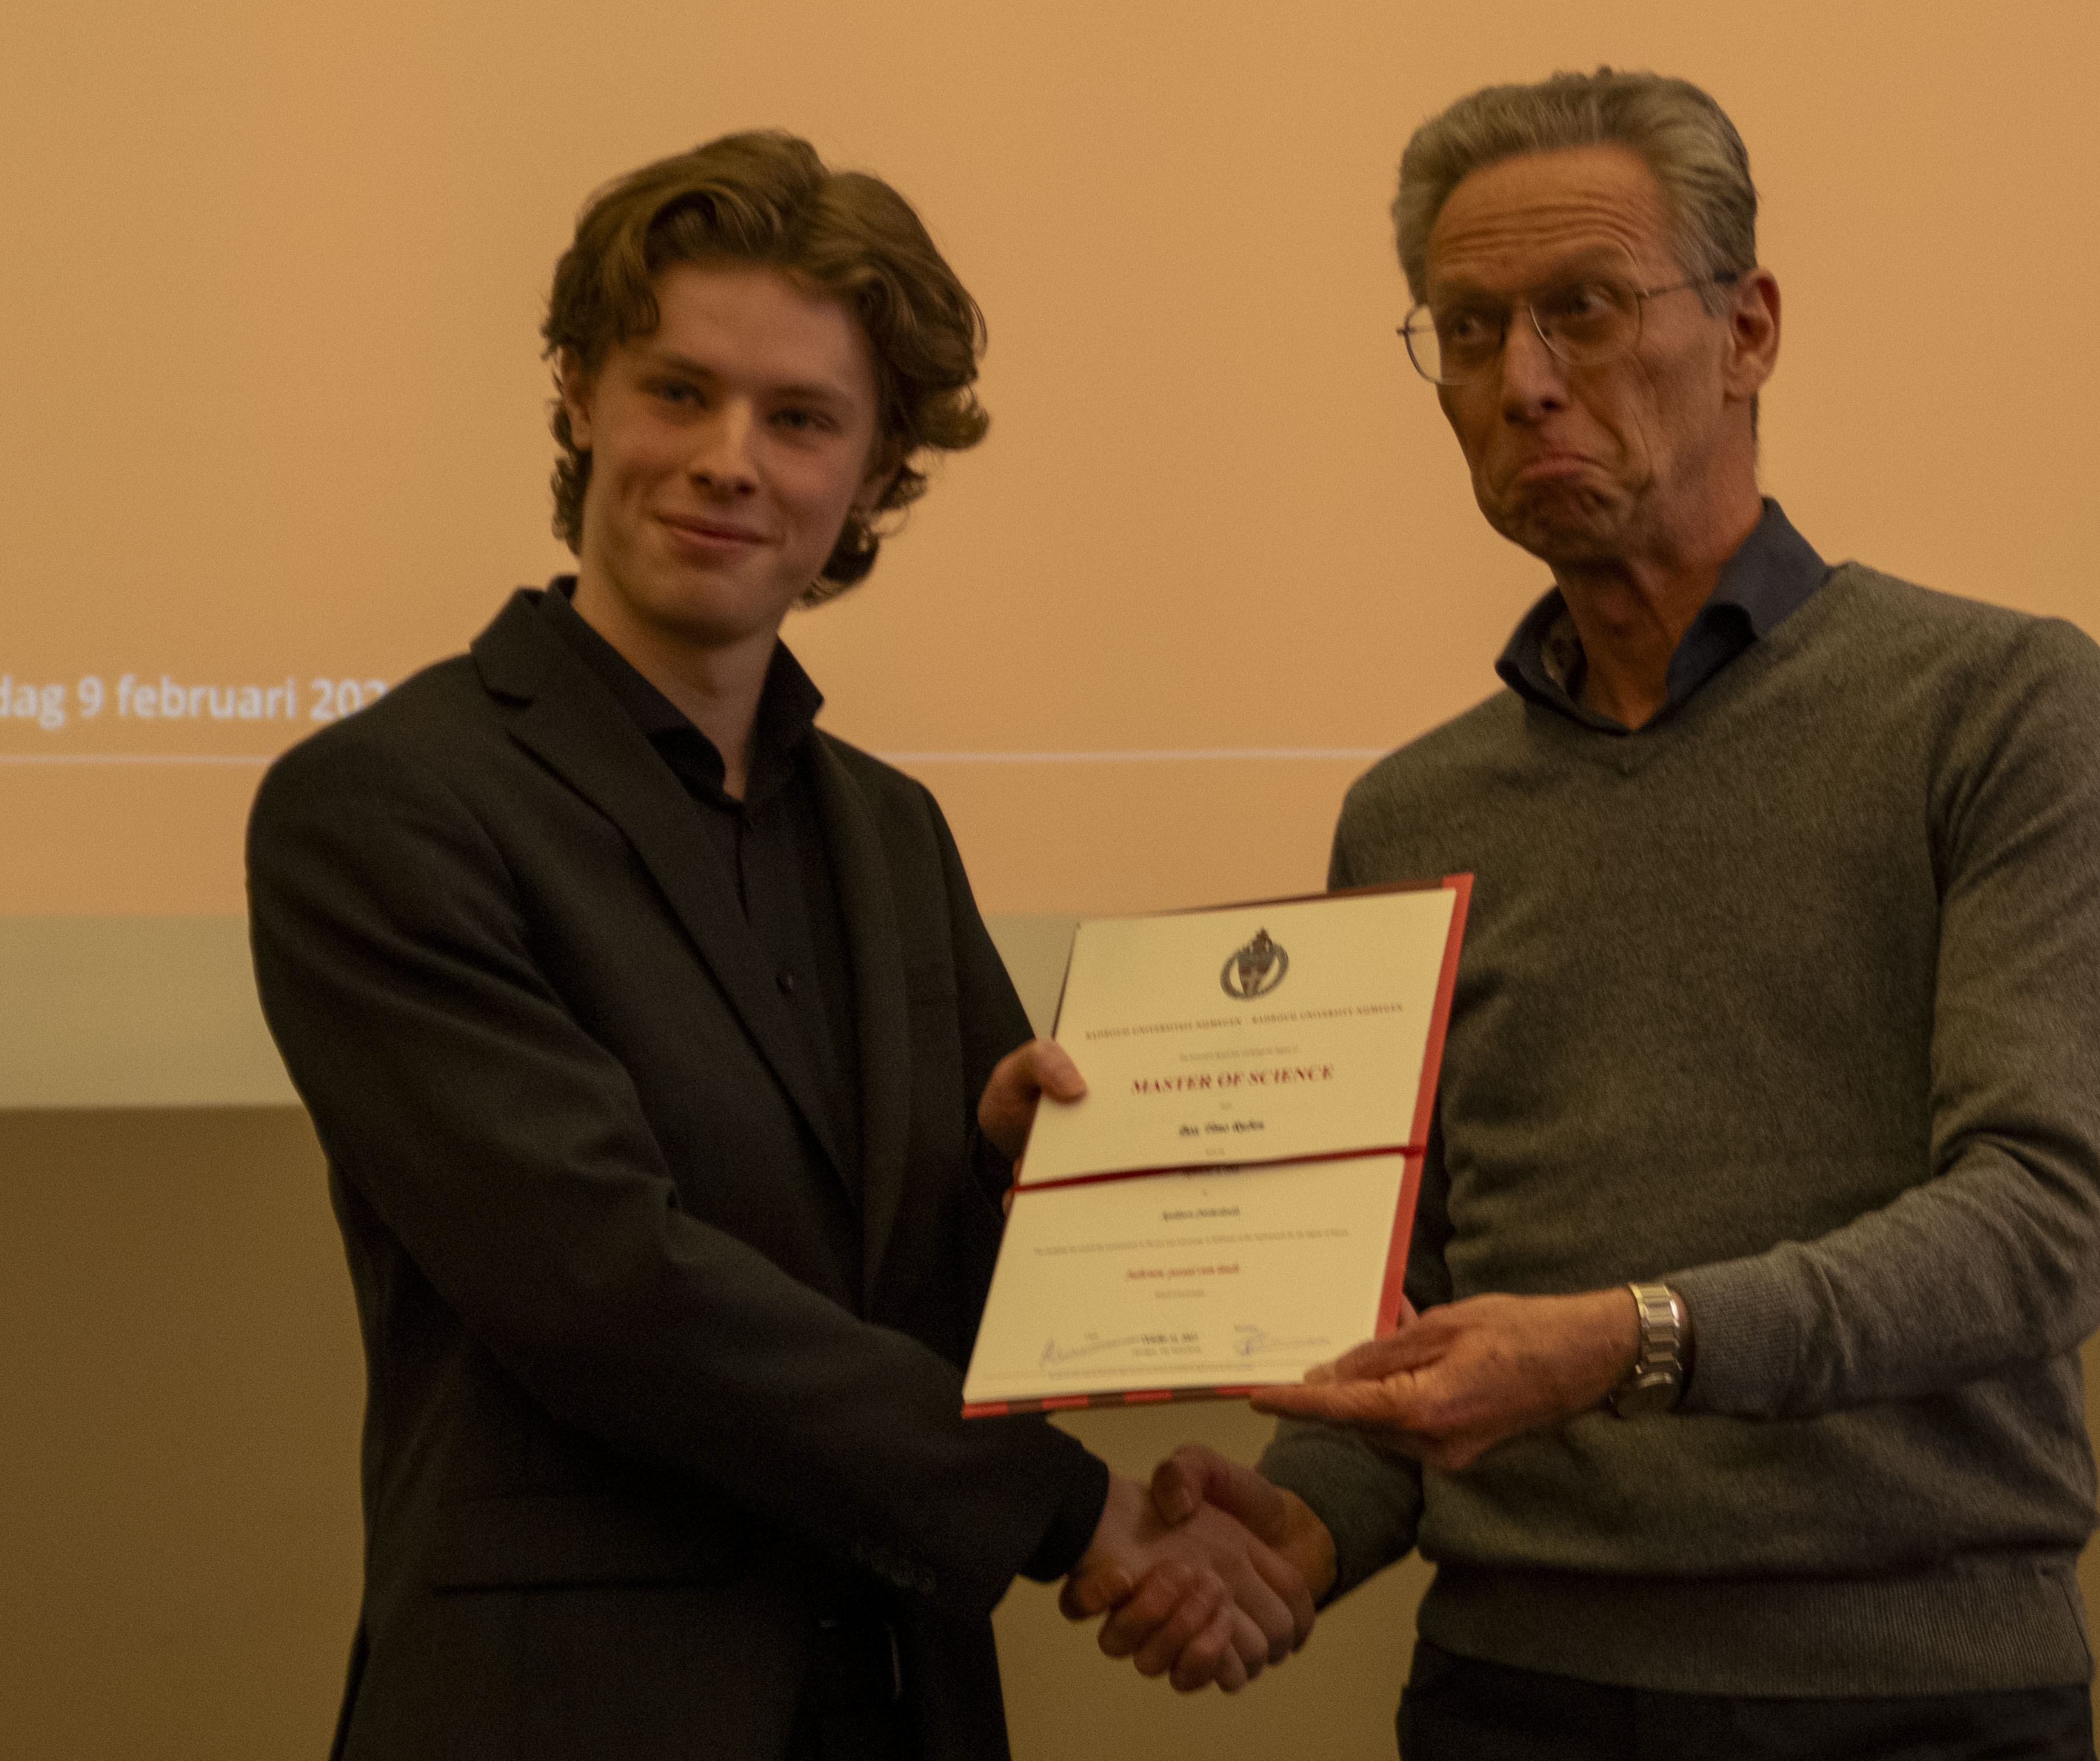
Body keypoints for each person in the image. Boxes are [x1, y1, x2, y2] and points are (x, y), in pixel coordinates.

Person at [1123, 70, 2100, 1757]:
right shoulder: (1414, 813)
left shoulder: (1996, 707)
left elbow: (2040, 1225)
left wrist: (1626, 1343)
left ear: (1748, 332)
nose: (1522, 381)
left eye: (1584, 310)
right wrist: (1298, 1530)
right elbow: (1420, 1301)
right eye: (1468, 331)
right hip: (1510, 1697)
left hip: (1910, 1702)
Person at [246, 131, 1308, 1761]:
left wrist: (1015, 1177)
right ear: (580, 399)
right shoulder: (387, 806)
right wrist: (1073, 1512)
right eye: (678, 392)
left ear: (877, 474)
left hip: (896, 1703)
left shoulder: (890, 833)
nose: (729, 461)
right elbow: (605, 1288)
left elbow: (946, 1310)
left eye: (802, 418)